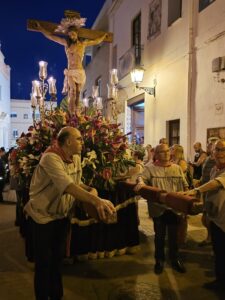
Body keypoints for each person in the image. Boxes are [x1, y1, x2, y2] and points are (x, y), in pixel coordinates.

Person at [24, 126, 115, 300]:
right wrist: (96, 201)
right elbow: (67, 186)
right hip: (42, 218)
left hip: (61, 217)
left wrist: (92, 190)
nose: (83, 142)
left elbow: (76, 183)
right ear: (68, 141)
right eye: (79, 139)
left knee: (57, 263)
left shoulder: (75, 158)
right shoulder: (50, 158)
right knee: (44, 265)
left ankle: (56, 296)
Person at [35, 14, 107, 114]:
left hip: (80, 71)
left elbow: (96, 41)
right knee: (72, 91)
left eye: (73, 34)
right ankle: (71, 112)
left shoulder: (83, 44)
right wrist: (41, 29)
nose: (71, 36)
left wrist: (103, 37)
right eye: (69, 35)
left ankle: (76, 114)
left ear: (76, 34)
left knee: (78, 93)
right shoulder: (66, 44)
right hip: (71, 72)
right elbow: (52, 37)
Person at [135, 143, 188, 274]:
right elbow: (141, 178)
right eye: (162, 152)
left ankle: (175, 259)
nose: (166, 154)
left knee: (173, 236)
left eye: (167, 151)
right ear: (156, 155)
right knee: (159, 236)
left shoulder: (177, 168)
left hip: (174, 208)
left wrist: (185, 203)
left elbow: (185, 185)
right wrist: (140, 183)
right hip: (158, 208)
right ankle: (159, 260)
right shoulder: (149, 168)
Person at [183, 139, 225, 291]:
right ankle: (220, 281)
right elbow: (209, 186)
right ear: (213, 152)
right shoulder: (214, 168)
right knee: (218, 252)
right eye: (217, 150)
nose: (220, 153)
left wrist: (197, 190)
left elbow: (217, 183)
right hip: (215, 218)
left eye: (223, 150)